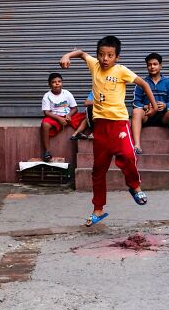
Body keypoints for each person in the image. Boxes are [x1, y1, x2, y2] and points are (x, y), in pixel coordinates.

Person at [59, 36, 158, 226]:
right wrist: (67, 55)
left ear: (117, 57)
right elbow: (80, 53)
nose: (105, 59)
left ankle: (135, 187)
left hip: (119, 124)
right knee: (98, 170)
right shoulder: (94, 65)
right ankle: (98, 210)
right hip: (100, 126)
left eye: (110, 55)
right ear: (97, 55)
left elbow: (144, 84)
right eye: (102, 54)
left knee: (128, 155)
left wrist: (153, 106)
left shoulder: (121, 71)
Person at [131, 52, 169, 156]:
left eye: (155, 64)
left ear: (160, 65)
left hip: (163, 117)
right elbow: (135, 102)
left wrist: (165, 106)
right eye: (149, 65)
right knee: (136, 111)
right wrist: (146, 106)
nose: (152, 67)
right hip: (147, 115)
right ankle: (137, 146)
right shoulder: (141, 83)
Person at [40, 72, 87, 161]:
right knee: (45, 124)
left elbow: (75, 108)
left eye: (59, 81)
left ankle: (77, 133)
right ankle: (47, 151)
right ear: (49, 84)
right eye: (54, 82)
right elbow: (46, 112)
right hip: (55, 117)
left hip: (68, 116)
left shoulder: (67, 93)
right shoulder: (47, 96)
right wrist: (59, 118)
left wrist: (69, 115)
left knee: (87, 116)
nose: (57, 84)